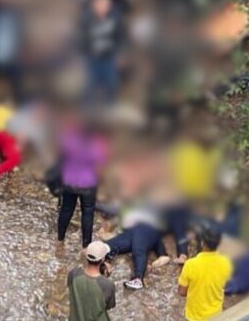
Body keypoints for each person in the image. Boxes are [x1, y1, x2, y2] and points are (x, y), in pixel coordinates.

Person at [57, 116, 108, 249]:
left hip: (69, 181)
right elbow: (101, 166)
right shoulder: (98, 142)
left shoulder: (70, 137)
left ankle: (59, 240)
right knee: (88, 213)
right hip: (88, 183)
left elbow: (61, 156)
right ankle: (86, 247)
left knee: (66, 209)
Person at [105, 205, 170, 290]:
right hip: (134, 231)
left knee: (138, 248)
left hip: (145, 229)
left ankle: (138, 279)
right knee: (110, 245)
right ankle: (101, 260)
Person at [178, 225, 233, 321]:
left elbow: (182, 292)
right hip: (216, 315)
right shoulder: (226, 263)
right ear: (219, 243)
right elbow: (225, 284)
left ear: (202, 242)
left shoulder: (190, 264)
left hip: (194, 316)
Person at [81, 0, 123, 105]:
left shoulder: (115, 18)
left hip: (109, 56)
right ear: (94, 6)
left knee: (111, 83)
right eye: (100, 4)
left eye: (106, 4)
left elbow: (121, 36)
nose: (103, 7)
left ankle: (111, 106)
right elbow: (81, 38)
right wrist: (83, 53)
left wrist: (120, 52)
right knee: (90, 84)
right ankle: (88, 108)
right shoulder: (86, 19)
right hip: (92, 57)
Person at [67, 241, 117, 321]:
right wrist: (105, 277)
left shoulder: (73, 273)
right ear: (103, 259)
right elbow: (109, 306)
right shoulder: (107, 284)